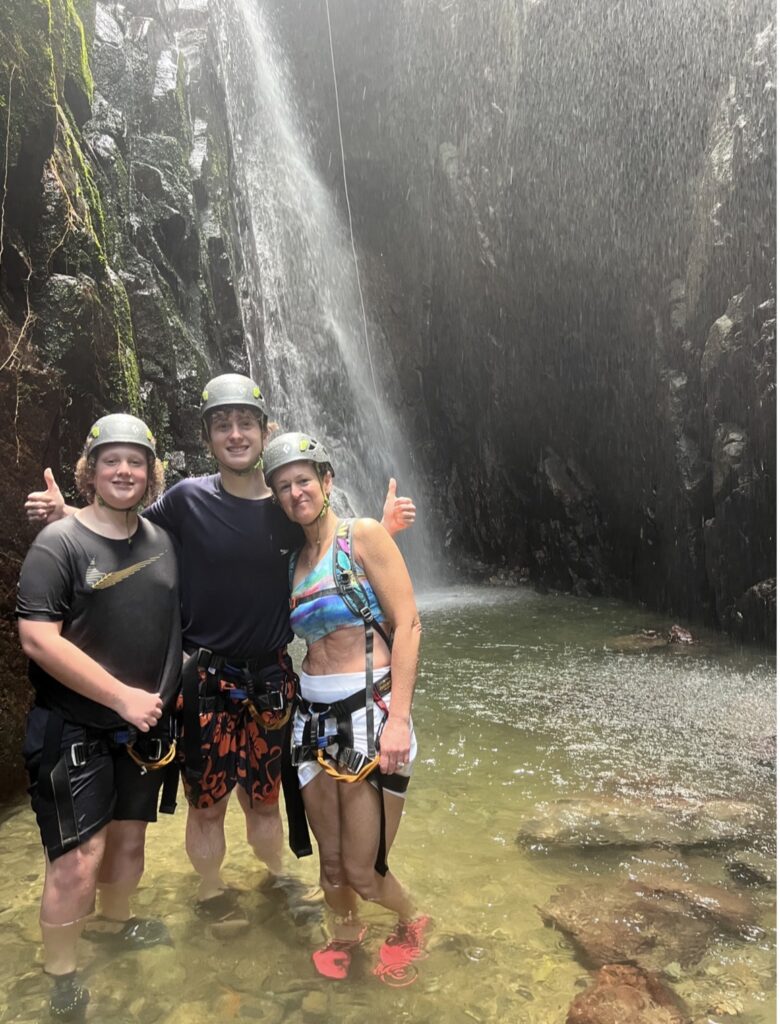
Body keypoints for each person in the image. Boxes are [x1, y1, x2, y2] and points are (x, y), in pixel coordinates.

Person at [25, 373, 415, 934]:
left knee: (266, 798)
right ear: (208, 437)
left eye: (246, 423)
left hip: (276, 678)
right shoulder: (185, 500)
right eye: (223, 425)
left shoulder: (286, 507)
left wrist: (384, 535)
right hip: (205, 676)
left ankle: (276, 879)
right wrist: (66, 518)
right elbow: (121, 531)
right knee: (206, 804)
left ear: (264, 430)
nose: (236, 434)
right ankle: (212, 891)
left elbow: (329, 553)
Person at [16, 414, 181, 1021]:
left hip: (143, 728)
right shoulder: (58, 544)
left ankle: (114, 926)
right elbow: (37, 639)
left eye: (135, 461)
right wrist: (120, 697)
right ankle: (61, 974)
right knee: (77, 858)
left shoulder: (161, 542)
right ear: (89, 471)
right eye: (110, 461)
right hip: (75, 727)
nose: (124, 471)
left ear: (150, 472)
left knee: (130, 841)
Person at [263, 431, 429, 986]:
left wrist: (399, 720)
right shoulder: (291, 560)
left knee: (363, 868)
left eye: (303, 480)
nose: (295, 493)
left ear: (327, 481)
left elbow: (408, 624)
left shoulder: (361, 535)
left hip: (371, 711)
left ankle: (411, 919)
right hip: (311, 718)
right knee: (330, 863)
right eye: (283, 486)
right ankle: (346, 933)